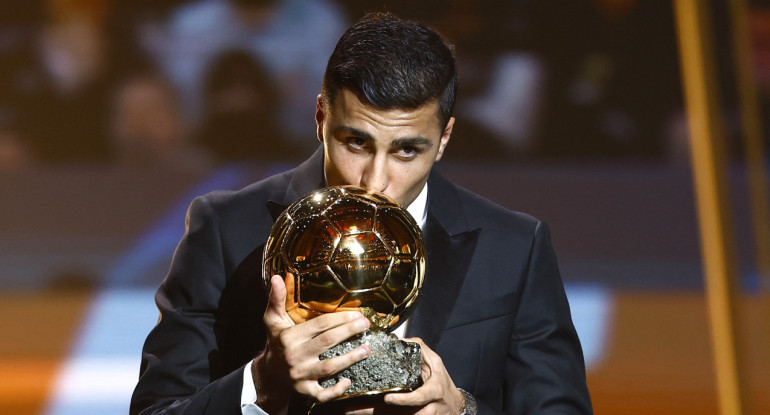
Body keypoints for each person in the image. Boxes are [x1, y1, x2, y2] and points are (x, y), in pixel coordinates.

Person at [131, 12, 592, 415]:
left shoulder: (514, 247)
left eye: (407, 150)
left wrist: (460, 410)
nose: (374, 180)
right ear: (320, 117)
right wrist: (263, 383)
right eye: (356, 143)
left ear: (445, 137)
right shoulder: (226, 230)